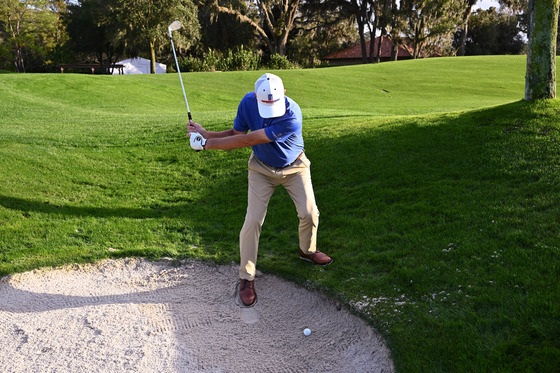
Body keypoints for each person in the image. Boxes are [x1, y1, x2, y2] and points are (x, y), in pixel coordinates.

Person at [187, 73, 332, 307]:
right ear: (256, 96)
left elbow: (248, 141)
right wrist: (206, 134)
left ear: (284, 94)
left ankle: (307, 250)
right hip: (261, 169)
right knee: (253, 221)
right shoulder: (247, 103)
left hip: (295, 167)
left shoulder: (292, 116)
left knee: (309, 213)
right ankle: (247, 278)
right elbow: (237, 134)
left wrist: (206, 145)